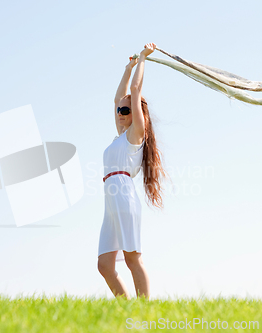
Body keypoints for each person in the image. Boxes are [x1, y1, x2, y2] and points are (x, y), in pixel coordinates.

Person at [97, 43, 168, 300]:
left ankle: (144, 311)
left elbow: (135, 91)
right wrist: (127, 69)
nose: (120, 112)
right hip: (111, 199)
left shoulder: (136, 135)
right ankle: (127, 310)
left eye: (126, 110)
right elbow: (119, 97)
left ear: (138, 115)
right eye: (119, 111)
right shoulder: (120, 137)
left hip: (123, 196)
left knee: (132, 259)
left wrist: (143, 60)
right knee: (105, 266)